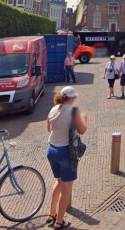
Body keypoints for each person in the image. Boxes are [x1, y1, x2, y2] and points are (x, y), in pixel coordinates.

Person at [46, 86, 87, 229]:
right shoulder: (73, 111)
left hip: (51, 150)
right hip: (64, 152)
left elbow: (49, 129)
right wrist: (84, 118)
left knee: (58, 182)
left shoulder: (53, 109)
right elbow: (82, 129)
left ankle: (51, 213)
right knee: (67, 186)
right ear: (71, 98)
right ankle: (60, 221)